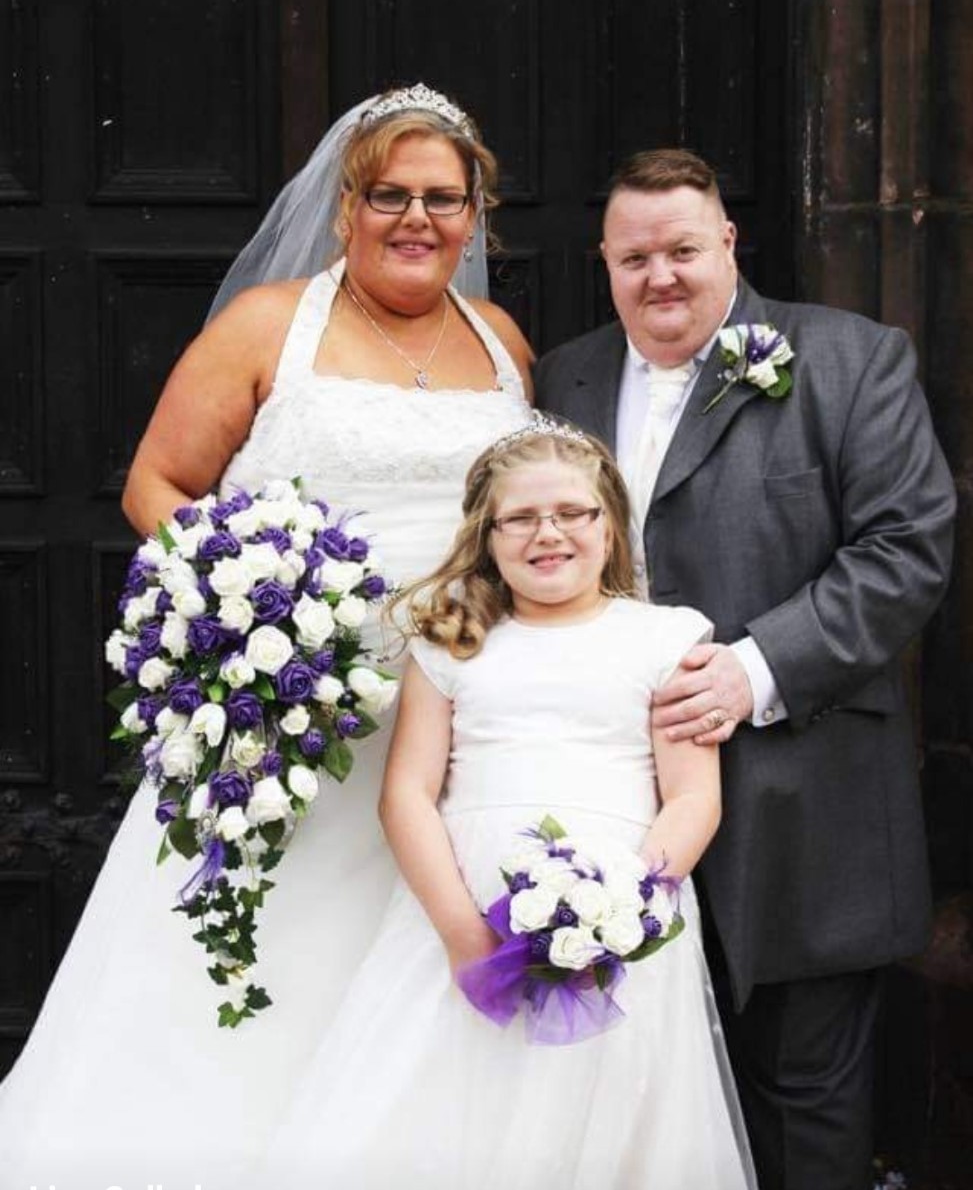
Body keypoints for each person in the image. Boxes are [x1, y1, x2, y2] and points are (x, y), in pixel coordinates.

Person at [0, 84, 533, 1190]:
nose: (416, 217)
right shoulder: (265, 326)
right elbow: (158, 483)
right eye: (389, 192)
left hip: (462, 723)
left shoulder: (503, 341)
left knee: (413, 968)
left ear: (475, 214)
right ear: (345, 207)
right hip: (290, 716)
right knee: (256, 960)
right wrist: (260, 607)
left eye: (443, 196)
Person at [533, 148, 956, 1190]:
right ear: (604, 261)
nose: (659, 276)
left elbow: (905, 548)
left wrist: (753, 670)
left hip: (800, 801)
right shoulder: (560, 378)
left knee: (804, 1103)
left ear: (727, 242)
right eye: (634, 256)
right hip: (599, 808)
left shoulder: (852, 359)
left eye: (682, 248)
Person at [241, 415, 757, 1189]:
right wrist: (460, 936)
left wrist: (625, 907)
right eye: (520, 518)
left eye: (572, 513)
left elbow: (690, 799)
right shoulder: (453, 643)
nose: (547, 534)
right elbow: (408, 796)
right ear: (487, 536)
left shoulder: (667, 638)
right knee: (449, 1107)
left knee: (604, 1111)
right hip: (468, 904)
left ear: (609, 527)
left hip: (620, 916)